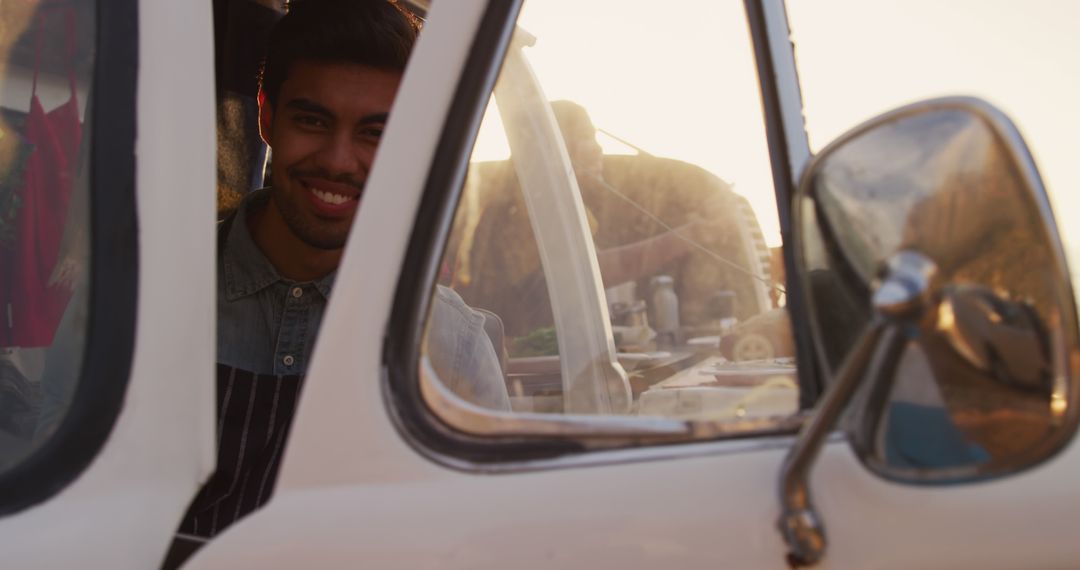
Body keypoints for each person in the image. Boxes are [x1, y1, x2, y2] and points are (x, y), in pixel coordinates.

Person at [169, 1, 508, 560]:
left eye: (375, 133)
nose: (339, 160)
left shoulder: (453, 346)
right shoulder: (146, 301)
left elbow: (488, 541)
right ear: (265, 116)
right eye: (312, 120)